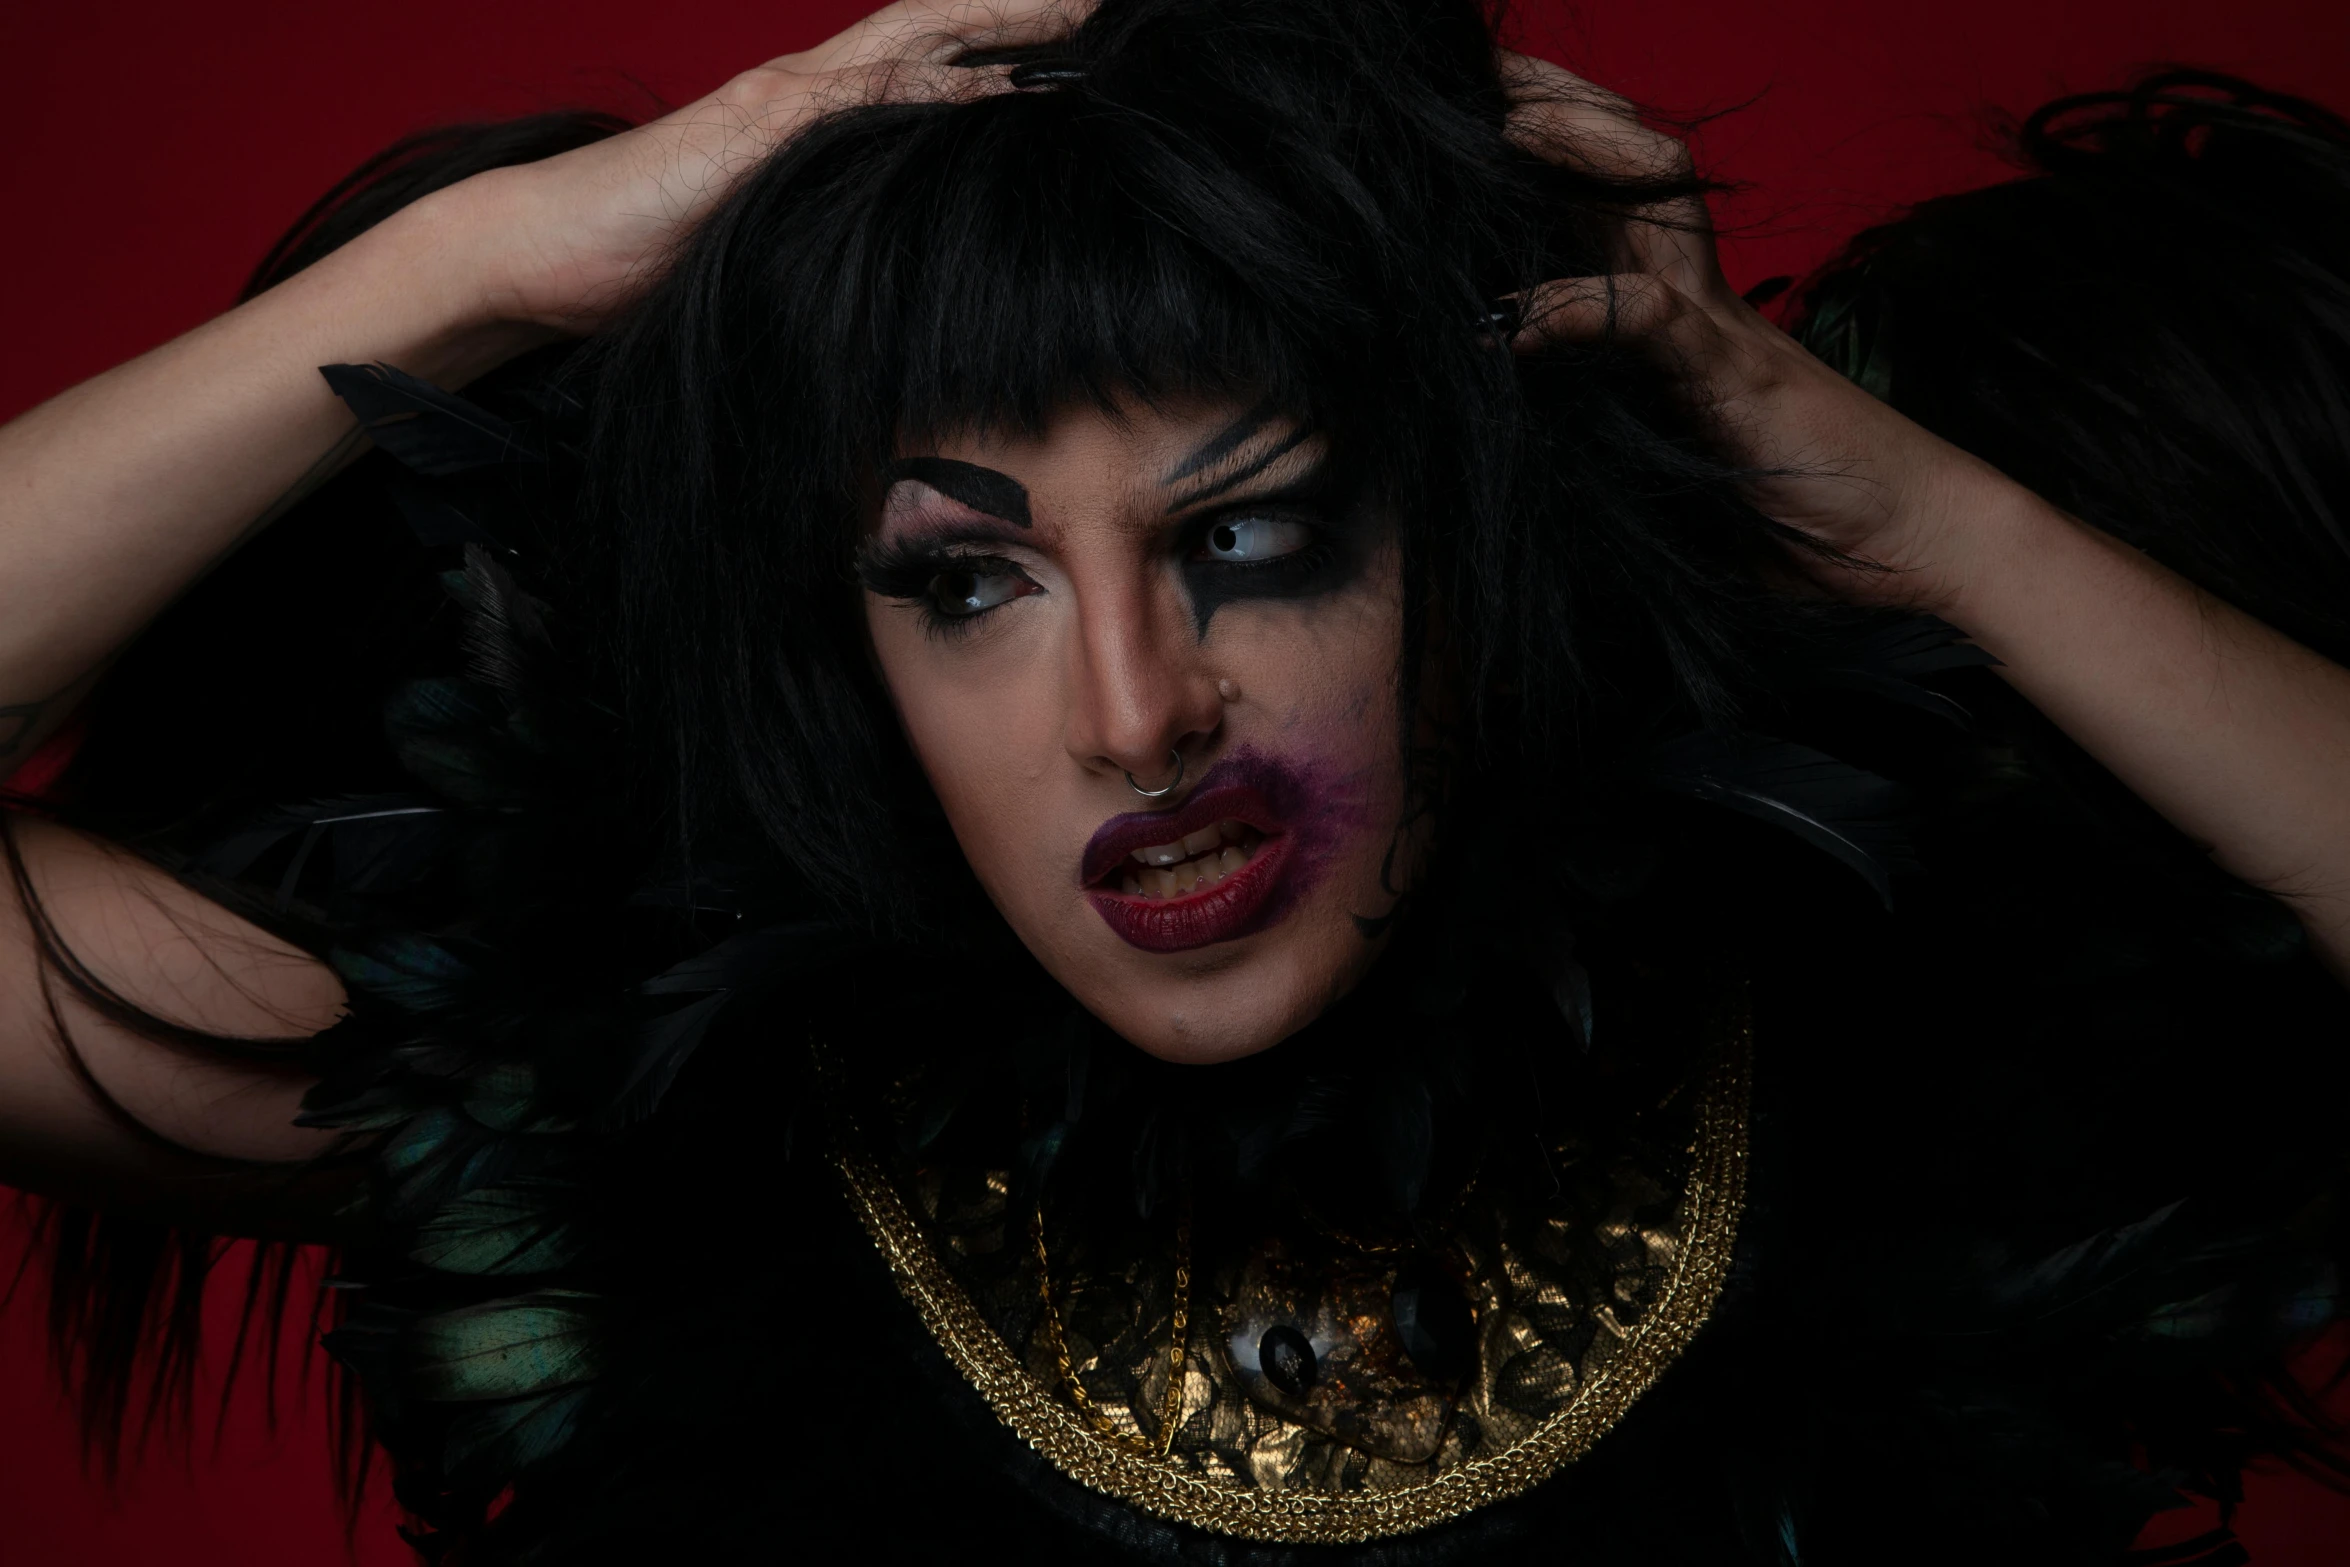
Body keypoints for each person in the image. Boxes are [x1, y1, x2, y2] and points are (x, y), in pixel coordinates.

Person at [1, 2, 2345, 1561]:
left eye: (1246, 538)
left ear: (1457, 542)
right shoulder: (621, 1121)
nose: (1133, 713)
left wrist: (1909, 507)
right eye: (964, 582)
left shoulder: (1884, 1002)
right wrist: (474, 264)